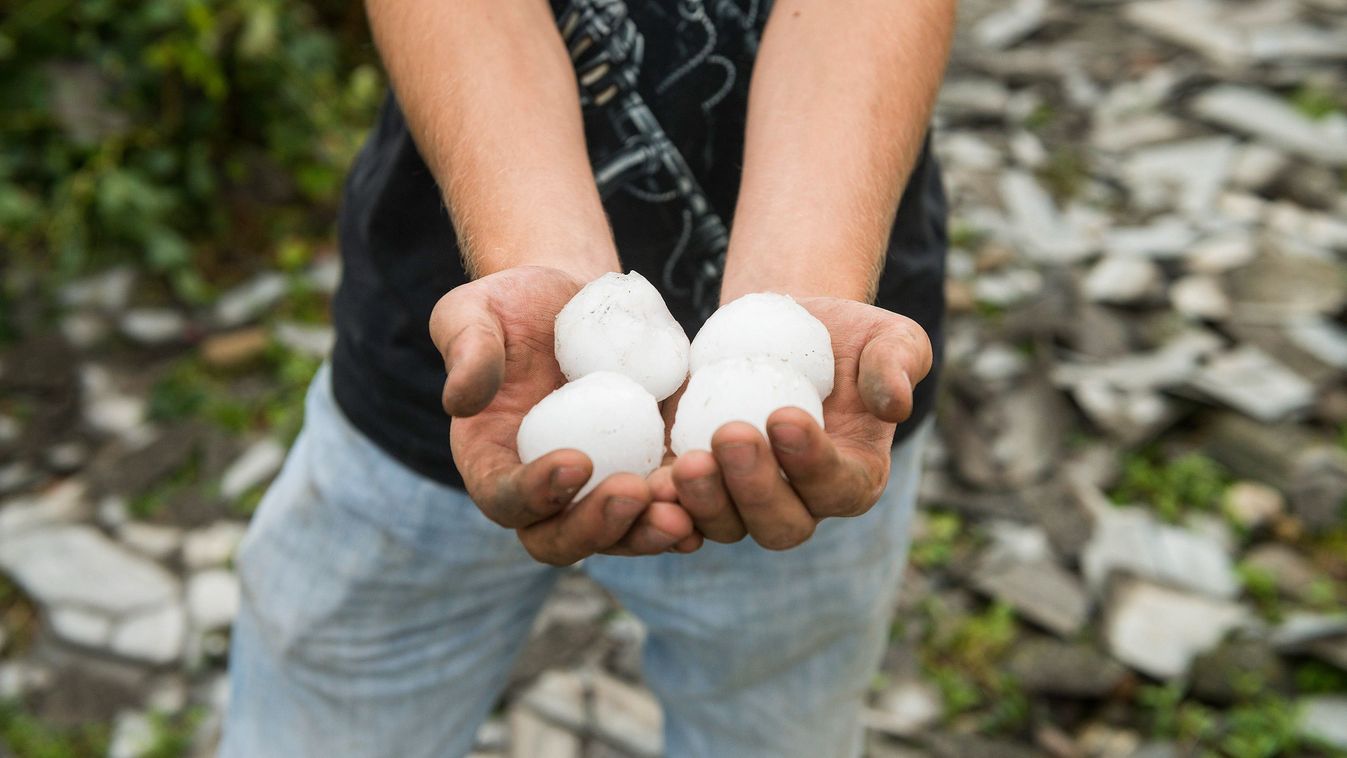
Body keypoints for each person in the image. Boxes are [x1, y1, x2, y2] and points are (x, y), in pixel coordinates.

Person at [221, 0, 953, 755]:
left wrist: (799, 293)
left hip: (820, 405)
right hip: (456, 366)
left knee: (771, 719)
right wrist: (537, 262)